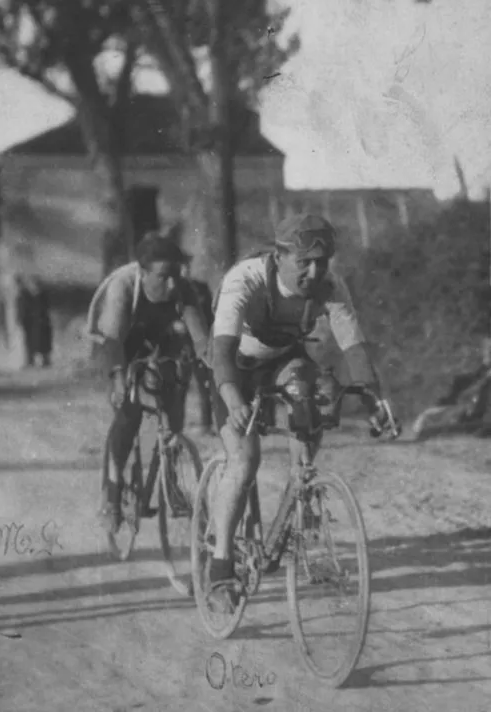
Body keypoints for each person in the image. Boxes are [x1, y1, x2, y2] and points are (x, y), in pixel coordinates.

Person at [208, 212, 392, 592]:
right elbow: (222, 349)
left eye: (321, 262)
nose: (313, 272)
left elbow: (353, 345)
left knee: (314, 390)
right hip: (234, 366)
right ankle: (221, 564)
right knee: (243, 463)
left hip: (281, 359)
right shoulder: (245, 278)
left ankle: (301, 486)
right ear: (279, 256)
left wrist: (374, 399)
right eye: (303, 262)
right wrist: (232, 398)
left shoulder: (331, 285)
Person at [86, 232, 210, 532]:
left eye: (176, 276)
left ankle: (170, 480)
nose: (171, 285)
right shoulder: (123, 286)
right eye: (163, 277)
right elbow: (113, 344)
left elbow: (203, 342)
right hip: (116, 342)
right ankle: (113, 493)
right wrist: (119, 381)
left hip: (157, 338)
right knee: (129, 411)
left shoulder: (182, 288)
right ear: (142, 272)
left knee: (173, 398)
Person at [181, 260, 215, 434]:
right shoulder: (171, 289)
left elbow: (209, 315)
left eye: (185, 266)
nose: (184, 269)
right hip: (180, 345)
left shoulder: (200, 288)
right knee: (179, 385)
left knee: (204, 385)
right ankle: (177, 425)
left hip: (199, 343)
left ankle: (205, 424)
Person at [16, 274, 53, 367]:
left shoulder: (38, 295)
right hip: (31, 322)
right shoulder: (26, 294)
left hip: (39, 322)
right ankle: (32, 360)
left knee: (40, 342)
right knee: (31, 342)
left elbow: (44, 308)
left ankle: (42, 360)